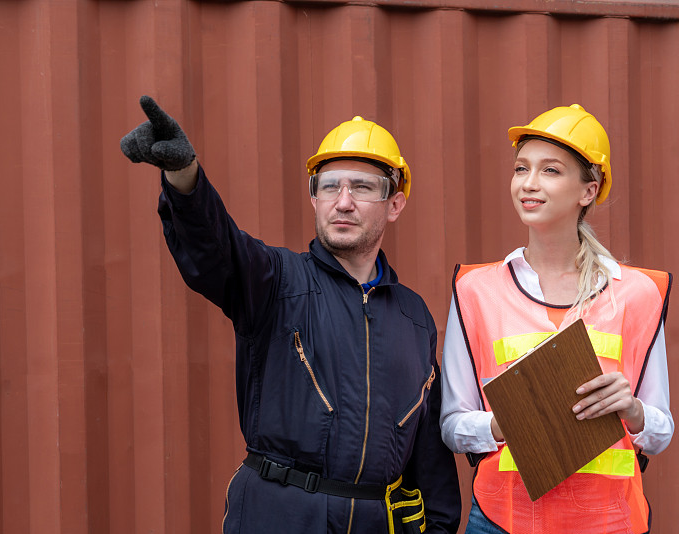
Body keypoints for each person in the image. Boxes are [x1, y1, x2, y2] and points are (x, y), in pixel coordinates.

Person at [120, 96, 461, 533]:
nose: (343, 201)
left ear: (394, 204)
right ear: (313, 198)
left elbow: (429, 454)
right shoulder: (275, 281)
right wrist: (185, 176)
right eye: (330, 186)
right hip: (277, 517)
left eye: (362, 186)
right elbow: (214, 249)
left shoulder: (413, 316)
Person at [440, 104, 673, 533]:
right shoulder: (475, 290)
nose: (528, 184)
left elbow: (660, 432)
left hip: (611, 522)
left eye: (550, 171)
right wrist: (505, 422)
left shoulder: (637, 294)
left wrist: (633, 410)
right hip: (501, 520)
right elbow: (453, 424)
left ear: (589, 190)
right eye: (520, 169)